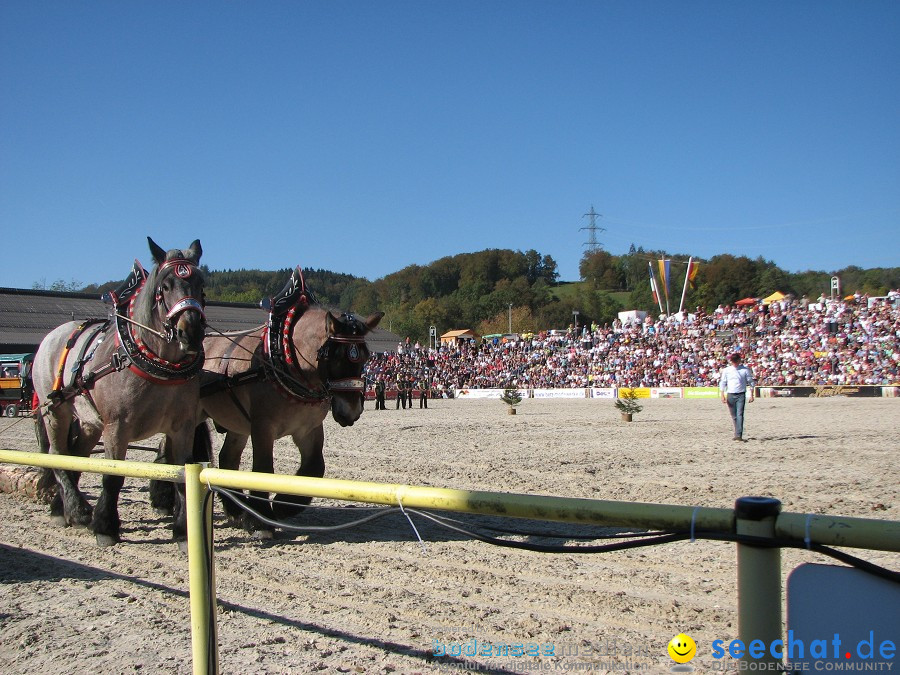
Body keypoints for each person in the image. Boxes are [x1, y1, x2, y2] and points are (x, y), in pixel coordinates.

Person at [719, 352, 755, 441]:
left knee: (740, 414)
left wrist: (752, 394)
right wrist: (722, 395)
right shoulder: (727, 370)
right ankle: (736, 432)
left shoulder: (745, 370)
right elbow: (723, 382)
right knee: (734, 415)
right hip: (730, 394)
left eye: (736, 361)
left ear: (739, 360)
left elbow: (751, 382)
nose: (734, 363)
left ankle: (739, 434)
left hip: (741, 394)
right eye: (733, 361)